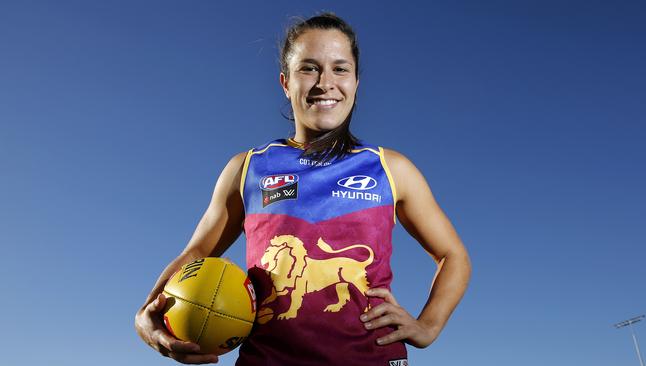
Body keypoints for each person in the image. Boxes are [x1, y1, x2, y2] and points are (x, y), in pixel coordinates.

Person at [135, 12, 471, 365]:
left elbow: (454, 256)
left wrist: (428, 326)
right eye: (309, 68)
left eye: (340, 69)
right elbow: (197, 252)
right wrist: (146, 314)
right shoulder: (246, 168)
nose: (325, 82)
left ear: (356, 82)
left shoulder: (392, 168)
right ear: (285, 81)